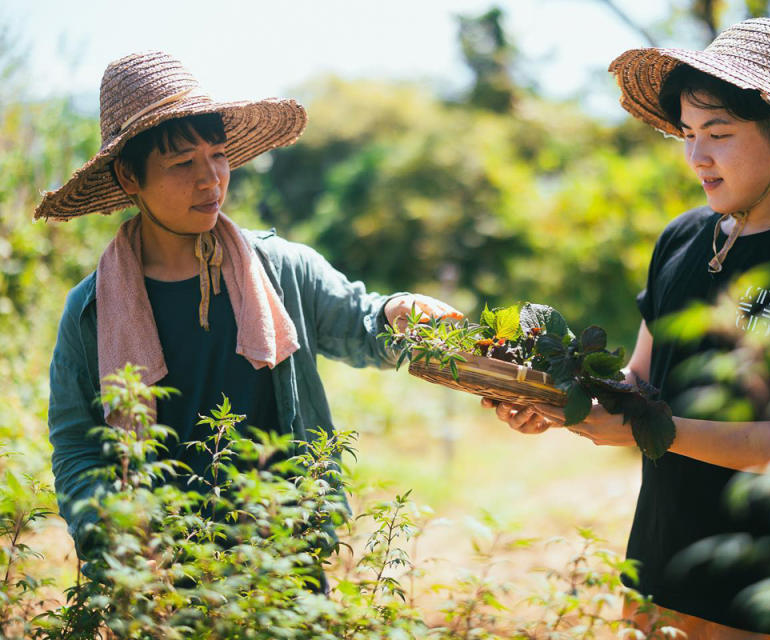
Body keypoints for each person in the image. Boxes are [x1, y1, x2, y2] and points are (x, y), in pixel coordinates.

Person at [486, 18, 770, 639]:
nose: (697, 157)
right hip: (658, 567)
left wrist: (656, 432)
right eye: (689, 133)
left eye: (720, 134)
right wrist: (552, 400)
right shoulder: (681, 238)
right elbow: (640, 383)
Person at [35, 51, 459, 564]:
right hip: (161, 576)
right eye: (182, 163)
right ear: (129, 177)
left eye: (217, 155)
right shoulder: (93, 309)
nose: (210, 179)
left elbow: (362, 320)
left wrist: (399, 311)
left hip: (285, 559)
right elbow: (78, 446)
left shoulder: (282, 270)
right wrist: (114, 544)